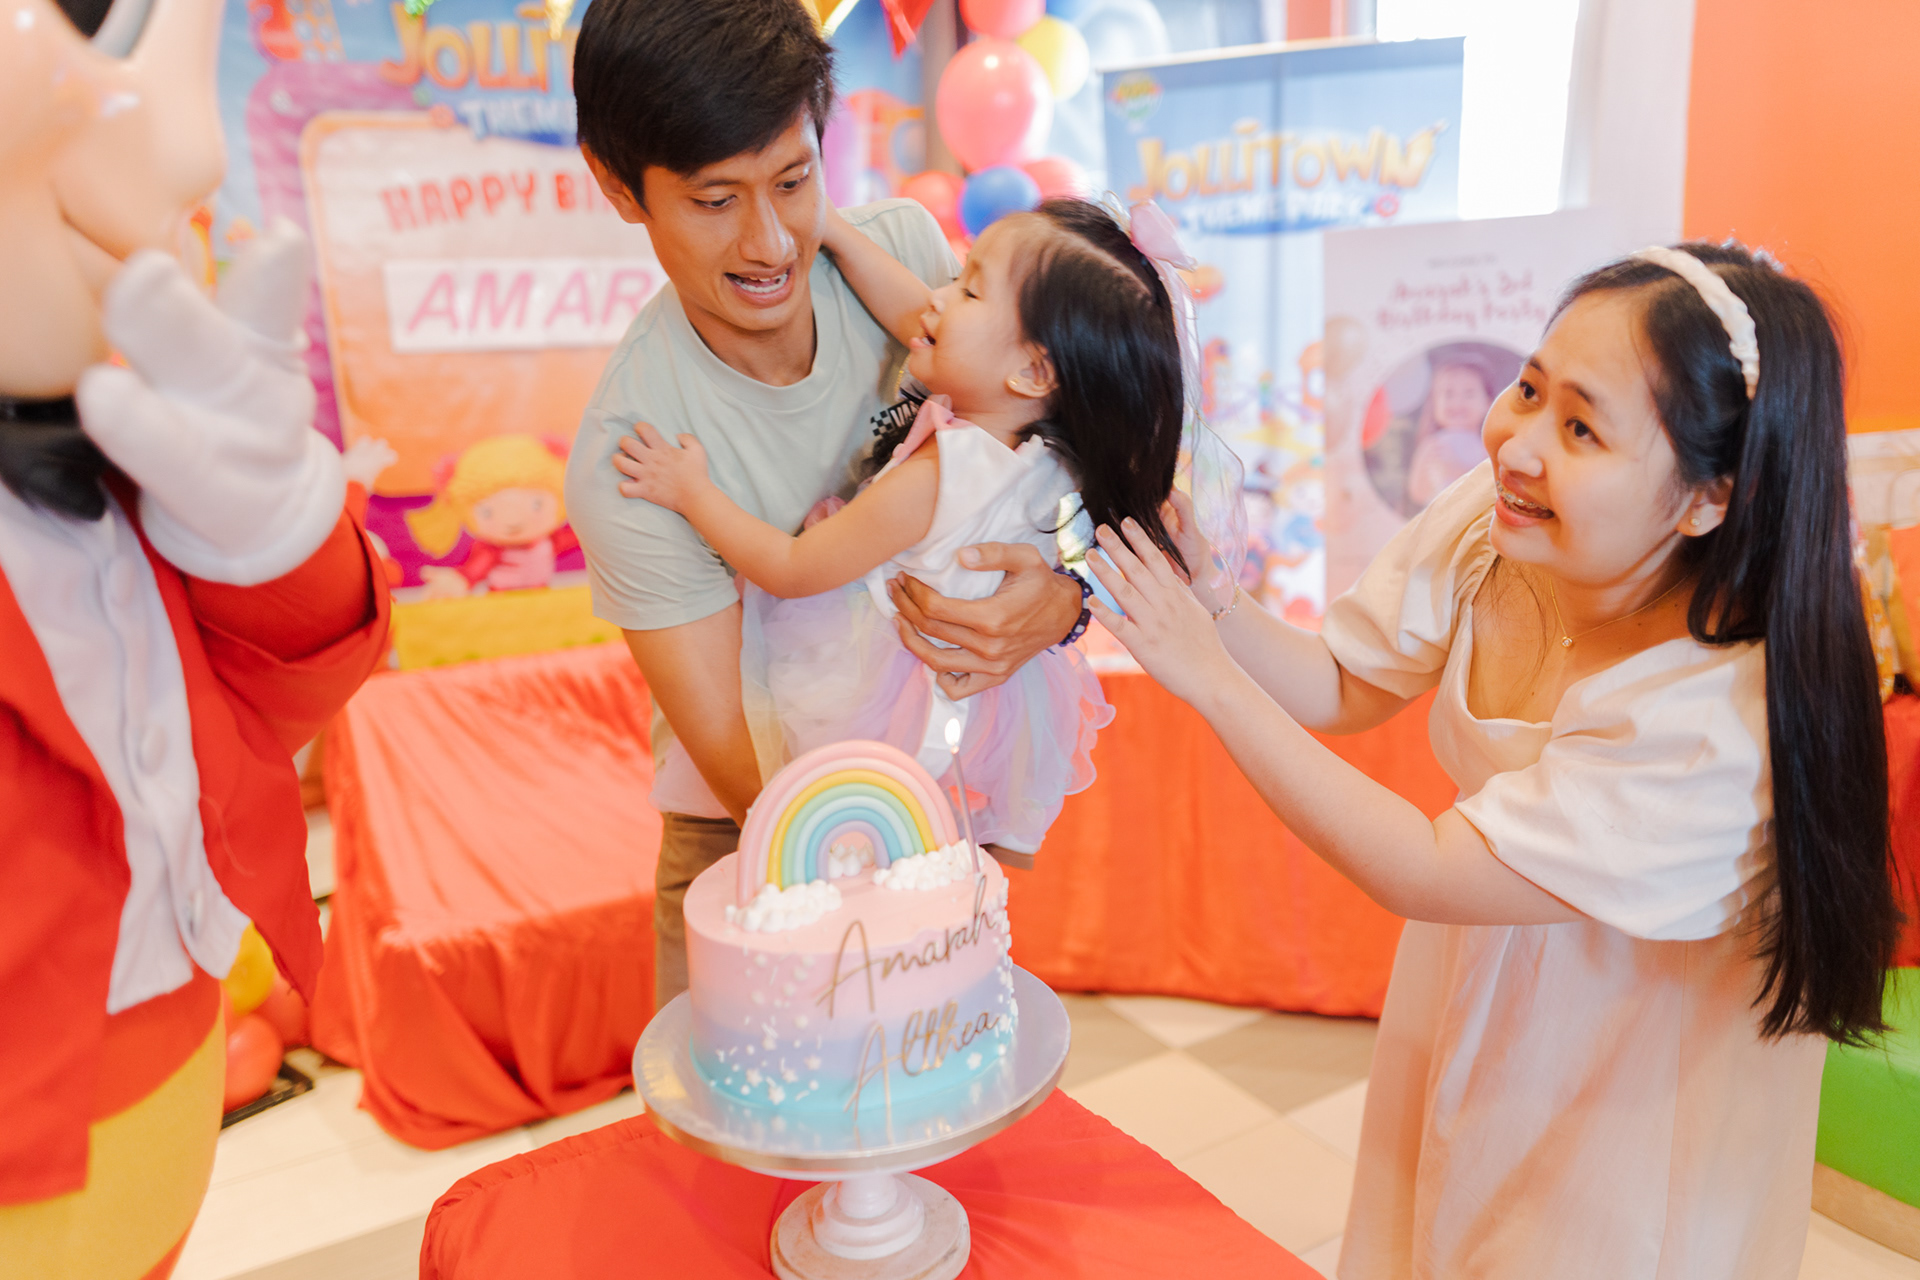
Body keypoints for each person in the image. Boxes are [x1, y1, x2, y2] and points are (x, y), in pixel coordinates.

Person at [1087, 243, 1896, 1277]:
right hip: (1472, 976)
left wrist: (1210, 680)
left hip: (1631, 1075)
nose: (1518, 444)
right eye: (1529, 389)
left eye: (1581, 428)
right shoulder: (1507, 517)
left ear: (1709, 496)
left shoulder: (1711, 719)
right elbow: (1343, 679)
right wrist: (1212, 595)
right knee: (1429, 1224)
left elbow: (1425, 867)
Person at [564, 0, 1085, 1008]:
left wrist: (1065, 594)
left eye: (795, 181)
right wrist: (893, 888)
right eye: (716, 200)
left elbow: (1058, 460)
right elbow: (738, 757)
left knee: (953, 1092)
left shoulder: (908, 264)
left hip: (931, 798)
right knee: (765, 1104)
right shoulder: (635, 454)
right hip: (757, 839)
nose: (769, 243)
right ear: (619, 187)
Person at [0, 0, 390, 1269]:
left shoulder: (111, 445)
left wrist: (275, 532)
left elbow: (255, 721)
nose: (192, 157)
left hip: (160, 1101)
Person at [612, 197, 1195, 859]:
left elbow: (792, 569)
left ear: (1033, 371)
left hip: (879, 705)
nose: (937, 296)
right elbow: (920, 316)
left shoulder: (938, 477)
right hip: (970, 716)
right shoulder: (1047, 454)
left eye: (968, 289)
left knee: (846, 860)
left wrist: (692, 493)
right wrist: (833, 231)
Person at [410, 434, 577, 597]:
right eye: (487, 512)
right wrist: (459, 581)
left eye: (537, 505)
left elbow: (577, 538)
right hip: (502, 600)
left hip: (542, 596)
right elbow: (474, 570)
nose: (513, 521)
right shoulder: (492, 550)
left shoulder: (551, 540)